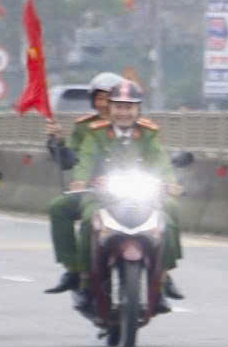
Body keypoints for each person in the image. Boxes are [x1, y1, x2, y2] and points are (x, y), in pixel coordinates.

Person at [69, 78, 183, 310]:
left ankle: (162, 280)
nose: (124, 113)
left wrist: (171, 183)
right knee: (89, 222)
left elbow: (161, 161)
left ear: (138, 110)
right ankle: (84, 281)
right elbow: (86, 159)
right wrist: (80, 180)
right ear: (110, 109)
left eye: (129, 107)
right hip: (102, 195)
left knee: (170, 213)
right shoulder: (96, 133)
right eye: (119, 107)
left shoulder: (149, 134)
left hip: (141, 193)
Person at [44, 72, 123, 292]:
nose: (104, 104)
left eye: (109, 98)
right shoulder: (85, 128)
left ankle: (161, 275)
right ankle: (74, 268)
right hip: (93, 191)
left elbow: (155, 158)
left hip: (132, 192)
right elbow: (72, 160)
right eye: (99, 98)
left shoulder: (139, 127)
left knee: (164, 217)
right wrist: (58, 142)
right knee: (60, 208)